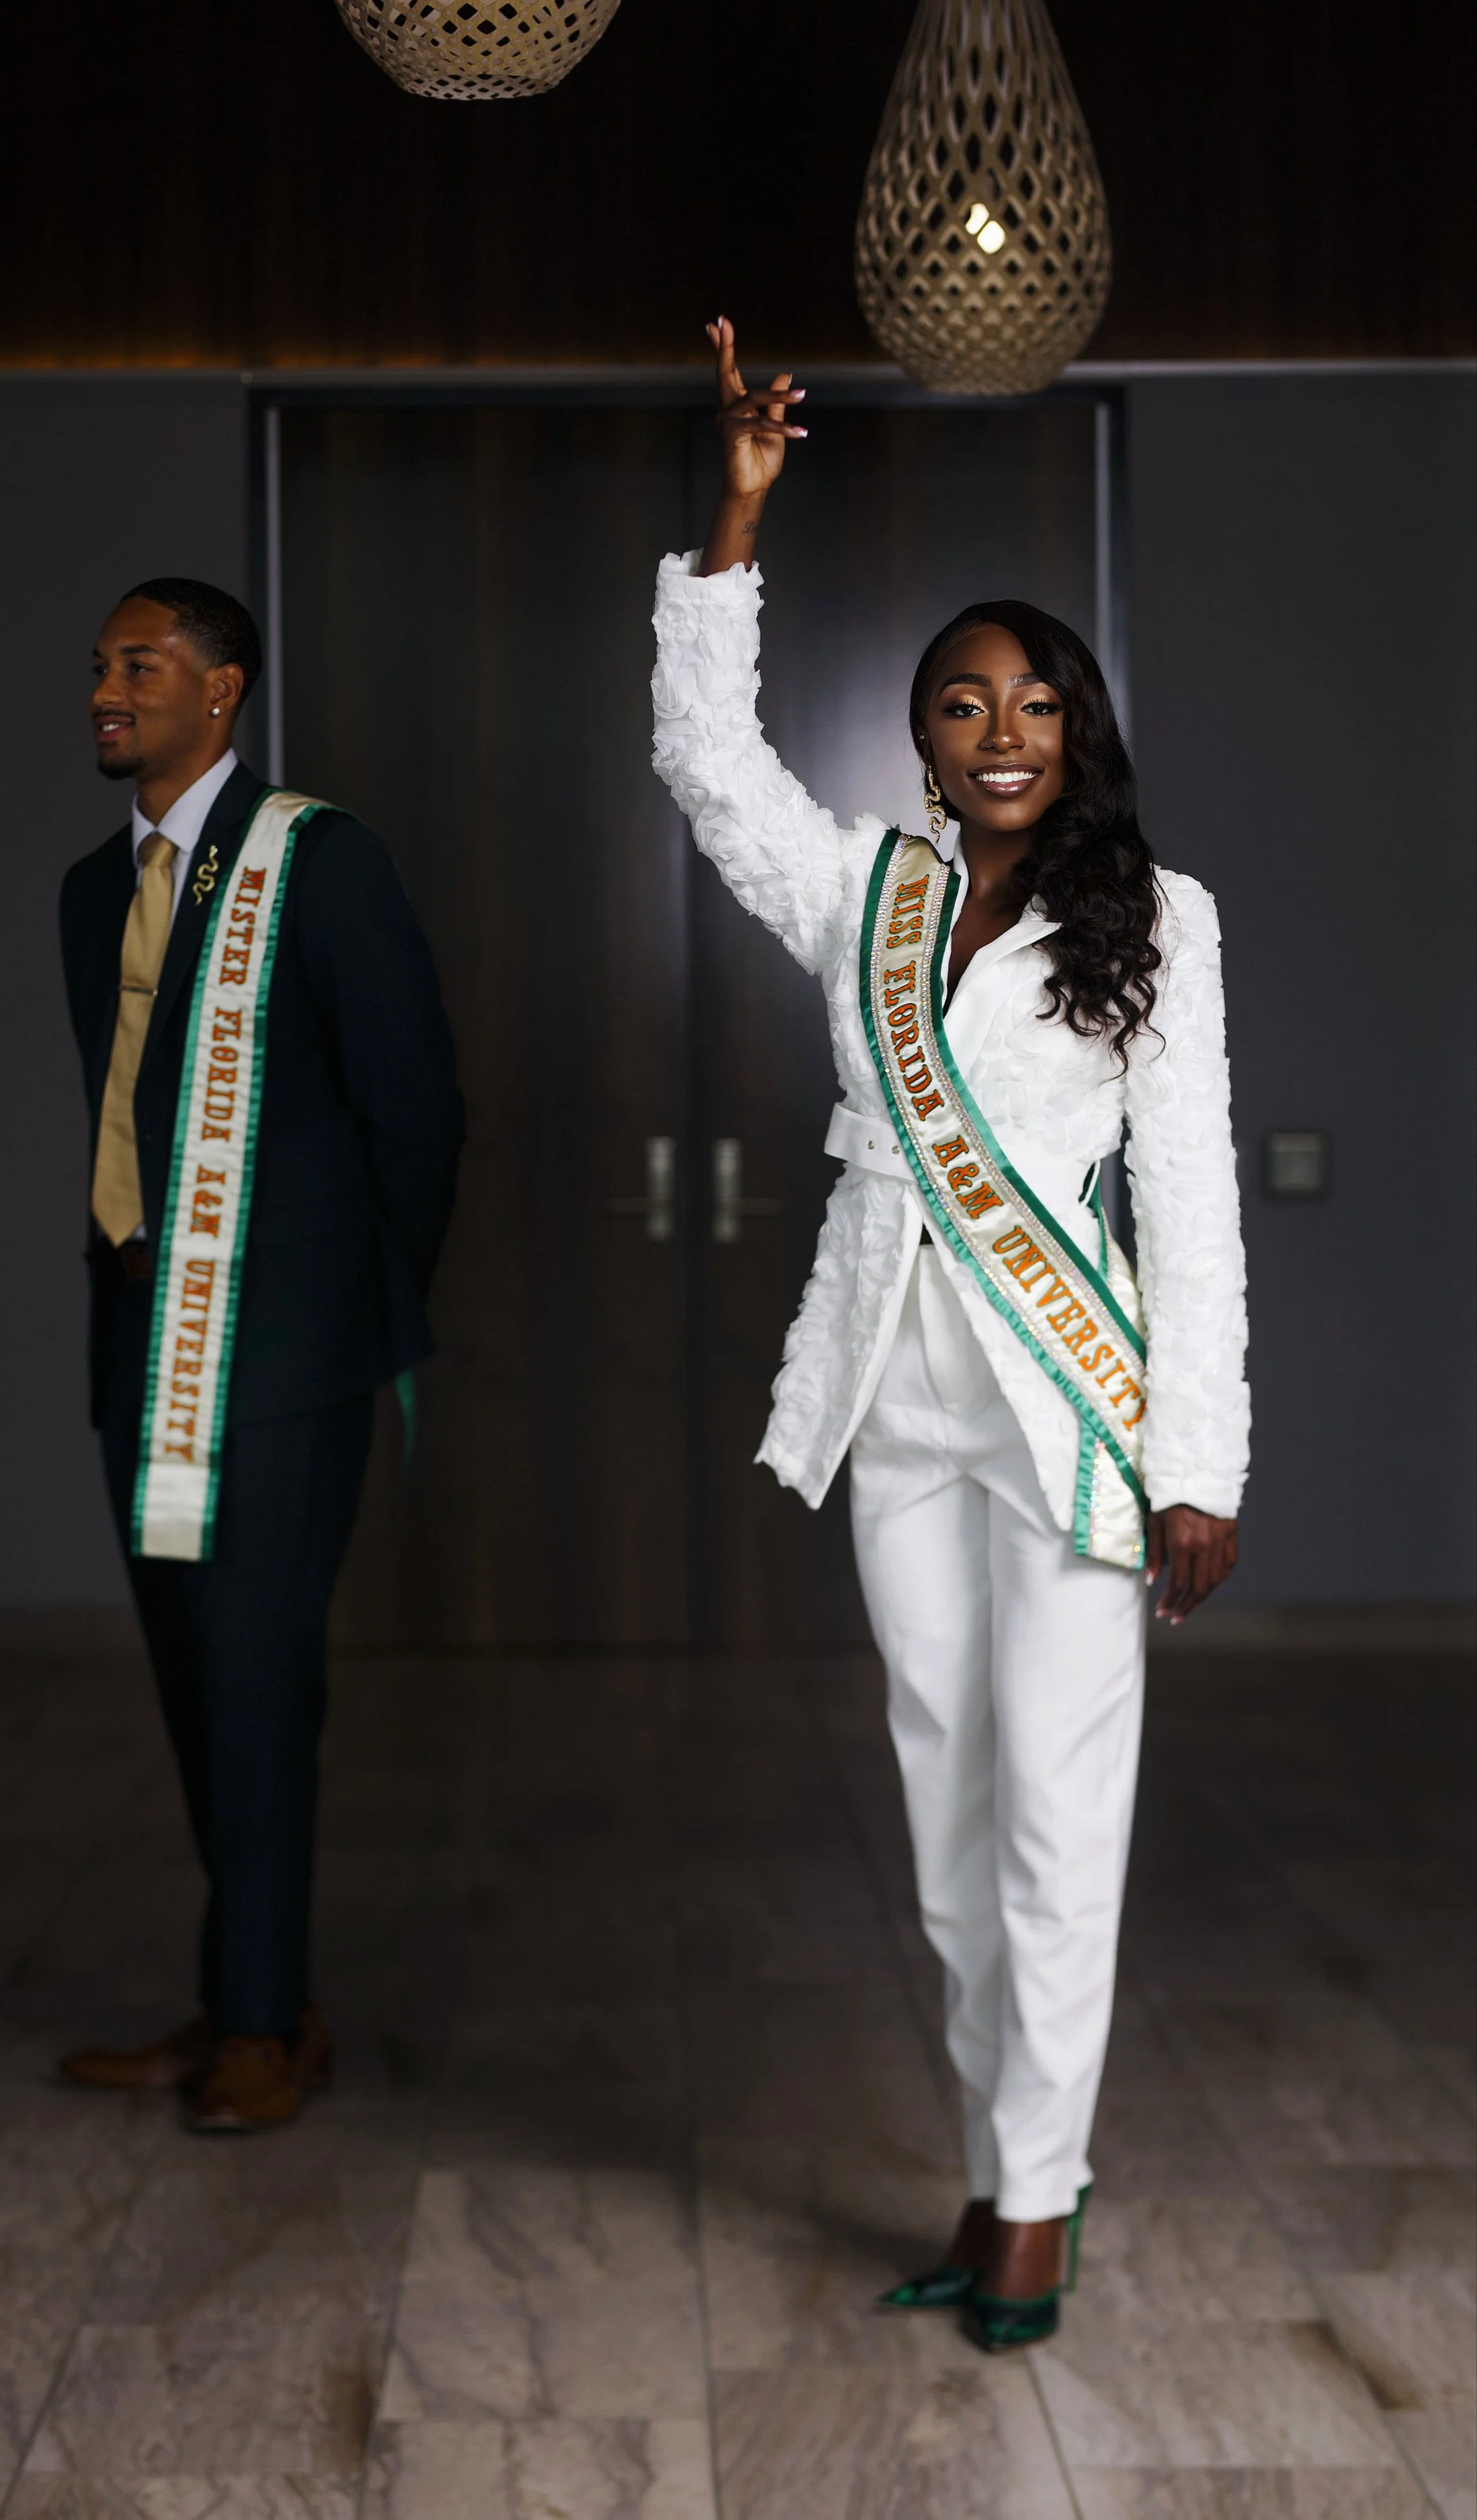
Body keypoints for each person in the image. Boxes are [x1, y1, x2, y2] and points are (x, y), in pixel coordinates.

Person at [651, 323, 1247, 2347]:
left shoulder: (1157, 917)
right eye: (958, 701)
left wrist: (1196, 1461)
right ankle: (1004, 2161)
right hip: (891, 1400)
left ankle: (1028, 2204)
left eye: (1032, 700)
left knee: (1056, 1826)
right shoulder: (863, 892)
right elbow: (703, 766)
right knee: (941, 1819)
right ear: (918, 737)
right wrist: (732, 528)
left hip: (1075, 1419)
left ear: (1076, 729)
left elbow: (1193, 1204)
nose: (999, 728)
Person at [58, 577, 462, 2132]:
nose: (106, 687)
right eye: (97, 665)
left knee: (256, 1680)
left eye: (140, 664)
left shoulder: (320, 862)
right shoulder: (94, 892)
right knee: (190, 1685)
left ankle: (260, 2030)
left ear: (221, 691)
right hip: (132, 1350)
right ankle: (250, 1992)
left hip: (278, 1361)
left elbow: (416, 1112)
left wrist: (351, 1310)